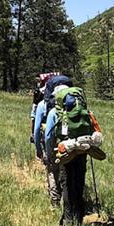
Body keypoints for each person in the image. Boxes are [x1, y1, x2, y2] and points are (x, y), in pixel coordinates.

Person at [41, 81, 93, 226]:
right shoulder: (83, 110)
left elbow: (49, 136)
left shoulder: (55, 113)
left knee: (67, 184)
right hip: (81, 150)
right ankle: (79, 217)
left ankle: (69, 220)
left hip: (65, 152)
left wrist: (50, 154)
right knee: (79, 182)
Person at [32, 75, 71, 206]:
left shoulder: (44, 105)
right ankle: (70, 201)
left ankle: (55, 203)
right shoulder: (74, 106)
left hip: (54, 145)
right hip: (73, 145)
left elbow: (38, 130)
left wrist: (39, 149)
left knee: (52, 171)